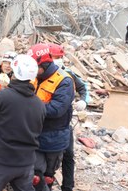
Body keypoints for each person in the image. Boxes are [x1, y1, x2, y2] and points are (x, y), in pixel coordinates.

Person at [0, 54, 45, 191]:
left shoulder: (4, 96)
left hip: (1, 162)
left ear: (14, 73)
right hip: (26, 163)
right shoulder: (39, 104)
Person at [27, 43, 75, 191]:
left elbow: (56, 109)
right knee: (35, 173)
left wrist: (27, 107)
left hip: (53, 136)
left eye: (35, 68)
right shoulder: (34, 77)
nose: (33, 72)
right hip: (35, 134)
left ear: (46, 64)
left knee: (48, 175)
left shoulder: (64, 81)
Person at [48, 43, 90, 191]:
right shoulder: (39, 74)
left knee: (68, 154)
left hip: (65, 121)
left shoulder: (68, 74)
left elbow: (83, 87)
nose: (57, 60)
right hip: (45, 120)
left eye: (60, 57)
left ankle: (67, 186)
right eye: (55, 57)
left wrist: (84, 101)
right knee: (47, 157)